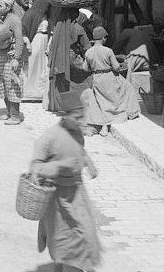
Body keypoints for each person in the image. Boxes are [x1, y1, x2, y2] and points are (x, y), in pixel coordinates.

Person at [31, 90, 101, 272]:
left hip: (77, 194)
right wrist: (59, 166)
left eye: (81, 117)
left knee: (84, 233)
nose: (80, 121)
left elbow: (79, 150)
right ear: (63, 115)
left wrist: (89, 163)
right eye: (76, 117)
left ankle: (74, 265)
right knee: (60, 237)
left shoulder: (77, 132)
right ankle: (60, 265)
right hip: (57, 198)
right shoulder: (50, 137)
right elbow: (36, 167)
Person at [83, 26, 140, 136]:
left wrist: (95, 67)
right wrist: (122, 65)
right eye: (105, 37)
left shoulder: (89, 52)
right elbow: (116, 67)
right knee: (127, 86)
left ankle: (101, 125)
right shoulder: (108, 51)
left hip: (97, 78)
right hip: (109, 77)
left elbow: (85, 68)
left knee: (101, 100)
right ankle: (130, 112)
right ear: (103, 38)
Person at [0, 0, 25, 124]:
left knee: (12, 84)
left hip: (10, 57)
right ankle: (9, 112)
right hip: (0, 54)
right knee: (2, 84)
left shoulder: (14, 20)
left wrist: (17, 58)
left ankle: (15, 116)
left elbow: (19, 39)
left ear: (8, 7)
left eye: (1, 5)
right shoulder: (0, 18)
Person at [46, 7, 91, 112]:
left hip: (59, 58)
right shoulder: (78, 28)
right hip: (72, 58)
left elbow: (52, 45)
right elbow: (87, 47)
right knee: (86, 76)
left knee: (61, 81)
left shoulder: (58, 27)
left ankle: (60, 105)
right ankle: (79, 103)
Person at [22, 0, 51, 101]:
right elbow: (23, 29)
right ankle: (28, 91)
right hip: (35, 40)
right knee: (32, 65)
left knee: (42, 66)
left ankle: (39, 92)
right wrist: (28, 43)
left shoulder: (45, 15)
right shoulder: (30, 14)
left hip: (43, 41)